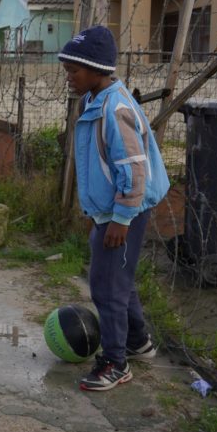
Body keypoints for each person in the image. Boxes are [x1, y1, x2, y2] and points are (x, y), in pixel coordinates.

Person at [59, 26, 169, 392]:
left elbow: (134, 170)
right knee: (118, 278)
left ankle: (115, 362)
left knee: (107, 286)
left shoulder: (115, 108)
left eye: (73, 70)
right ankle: (137, 341)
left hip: (125, 214)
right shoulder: (97, 100)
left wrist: (121, 219)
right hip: (111, 213)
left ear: (95, 70)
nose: (68, 77)